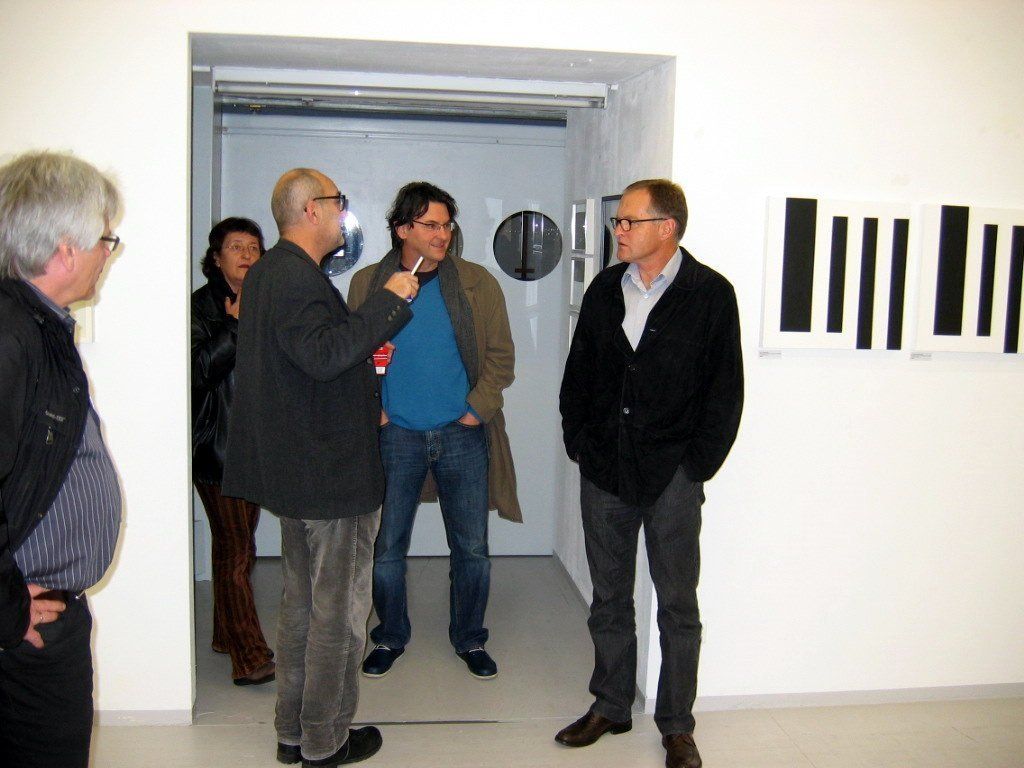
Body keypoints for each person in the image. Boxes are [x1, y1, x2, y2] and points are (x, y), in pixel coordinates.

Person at [222, 168, 419, 768]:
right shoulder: (294, 277)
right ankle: (324, 741)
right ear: (311, 210)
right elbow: (327, 355)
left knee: (303, 610)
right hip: (331, 476)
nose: (343, 212)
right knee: (339, 616)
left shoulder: (271, 274)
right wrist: (391, 300)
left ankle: (293, 732)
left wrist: (365, 378)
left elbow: (303, 367)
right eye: (338, 203)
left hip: (300, 472)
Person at [556, 179, 743, 768]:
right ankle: (611, 704)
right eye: (619, 221)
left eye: (629, 221)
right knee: (609, 597)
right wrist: (580, 441)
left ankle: (677, 725)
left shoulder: (711, 294)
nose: (618, 230)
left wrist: (694, 467)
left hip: (672, 478)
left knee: (677, 605)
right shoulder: (605, 288)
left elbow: (725, 392)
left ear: (667, 227)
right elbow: (579, 373)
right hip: (605, 470)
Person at [348, 182, 519, 681]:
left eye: (447, 225)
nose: (442, 234)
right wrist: (378, 412)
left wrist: (474, 412)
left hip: (461, 432)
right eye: (430, 225)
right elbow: (353, 354)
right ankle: (389, 635)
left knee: (472, 548)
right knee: (386, 548)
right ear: (403, 229)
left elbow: (501, 358)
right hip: (393, 435)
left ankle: (469, 638)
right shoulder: (368, 284)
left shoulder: (476, 283)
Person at [0, 151, 124, 768]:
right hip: (25, 625)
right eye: (105, 239)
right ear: (66, 249)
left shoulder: (41, 325)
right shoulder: (11, 336)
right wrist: (5, 610)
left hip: (44, 612)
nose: (109, 253)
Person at [192, 217, 275, 685]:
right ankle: (249, 657)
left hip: (253, 444)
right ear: (216, 257)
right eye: (236, 247)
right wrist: (234, 324)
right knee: (238, 551)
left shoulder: (263, 301)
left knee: (234, 546)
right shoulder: (201, 306)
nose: (246, 255)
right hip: (218, 448)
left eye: (254, 247)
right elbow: (199, 371)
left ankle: (226, 635)